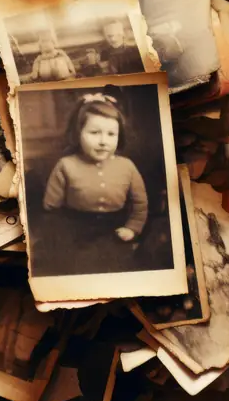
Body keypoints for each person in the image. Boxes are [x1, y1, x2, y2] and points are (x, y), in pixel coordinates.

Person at [41, 94, 148, 274]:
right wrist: (61, 238)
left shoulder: (127, 166)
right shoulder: (66, 165)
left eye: (111, 134)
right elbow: (51, 209)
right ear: (78, 133)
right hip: (75, 235)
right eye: (94, 132)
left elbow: (140, 204)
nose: (103, 141)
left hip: (116, 233)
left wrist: (132, 229)